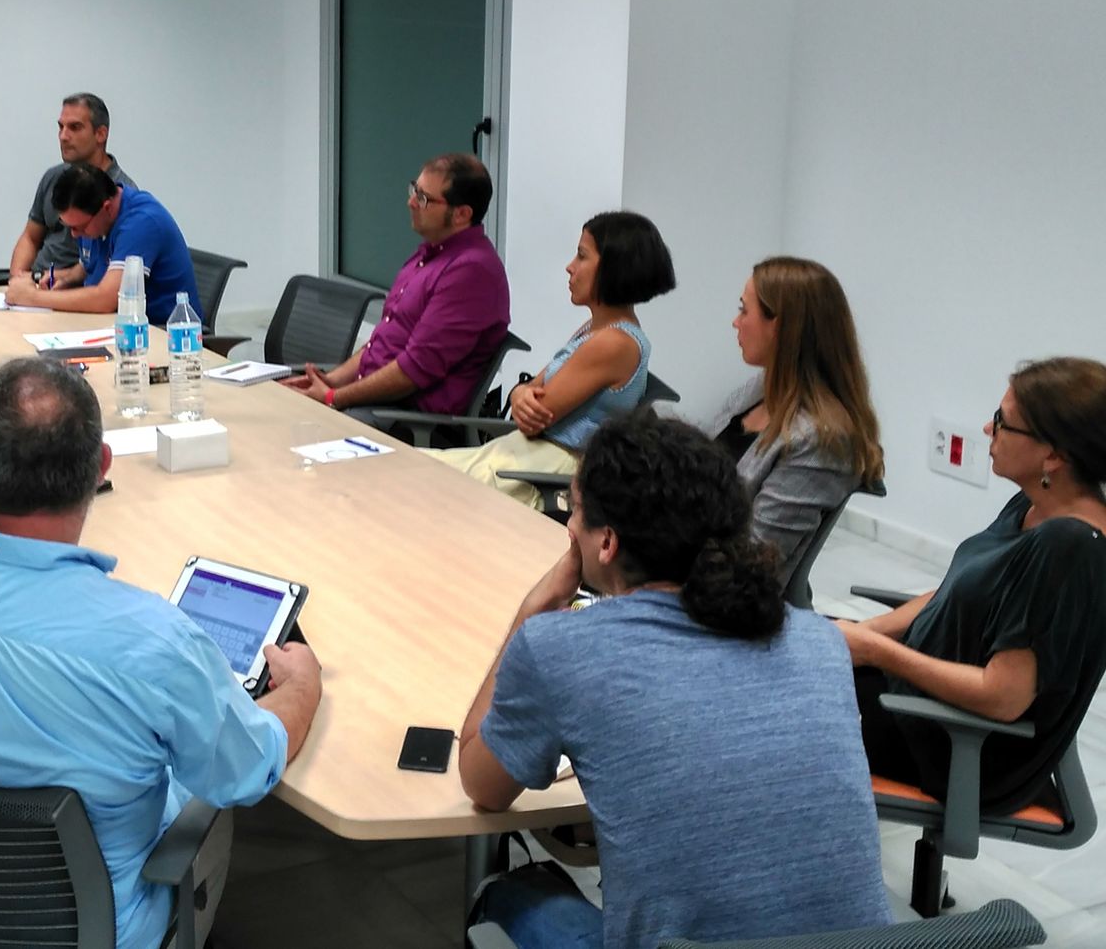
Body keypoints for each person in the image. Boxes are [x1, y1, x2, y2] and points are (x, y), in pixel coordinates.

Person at [0, 357, 322, 948]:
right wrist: (300, 687)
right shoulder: (153, 643)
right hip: (83, 934)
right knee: (198, 789)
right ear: (100, 471)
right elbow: (247, 771)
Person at [459, 412, 891, 949]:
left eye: (575, 513)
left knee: (515, 891)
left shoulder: (558, 648)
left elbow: (482, 788)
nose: (569, 527)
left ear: (607, 542)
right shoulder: (819, 641)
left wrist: (535, 608)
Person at [838, 357, 1106, 814]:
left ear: (1054, 454)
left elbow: (1002, 696)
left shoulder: (1069, 547)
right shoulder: (1032, 504)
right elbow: (952, 593)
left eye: (1003, 422)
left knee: (775, 694)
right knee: (786, 650)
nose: (987, 428)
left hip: (951, 743)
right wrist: (864, 633)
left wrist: (875, 651)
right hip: (914, 701)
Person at [430, 210, 674, 505]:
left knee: (410, 477)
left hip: (544, 471)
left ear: (614, 268)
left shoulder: (615, 342)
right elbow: (533, 388)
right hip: (524, 457)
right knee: (406, 466)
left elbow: (535, 419)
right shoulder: (596, 329)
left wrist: (523, 397)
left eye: (582, 256)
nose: (570, 267)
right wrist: (521, 392)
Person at [284, 153, 510, 424]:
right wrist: (329, 381)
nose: (411, 202)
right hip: (376, 403)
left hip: (411, 420)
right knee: (282, 411)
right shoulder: (429, 255)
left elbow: (414, 370)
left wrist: (334, 397)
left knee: (299, 436)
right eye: (415, 190)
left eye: (423, 198)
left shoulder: (471, 272)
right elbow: (384, 342)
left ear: (462, 214)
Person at [707, 256, 884, 590]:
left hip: (728, 605)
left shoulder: (821, 439)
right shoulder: (759, 389)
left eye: (745, 310)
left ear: (781, 326)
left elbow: (751, 564)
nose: (735, 322)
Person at [2, 163, 200, 326]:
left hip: (162, 334)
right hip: (112, 325)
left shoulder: (142, 223)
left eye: (79, 227)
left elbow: (106, 298)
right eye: (68, 226)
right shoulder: (96, 220)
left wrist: (31, 298)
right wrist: (63, 278)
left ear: (106, 208)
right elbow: (88, 266)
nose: (74, 234)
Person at [8, 92, 136, 279]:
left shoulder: (121, 193)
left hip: (75, 291)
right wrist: (17, 278)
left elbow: (107, 271)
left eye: (75, 127)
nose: (63, 136)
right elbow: (30, 237)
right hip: (36, 283)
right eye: (61, 127)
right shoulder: (54, 177)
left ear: (100, 134)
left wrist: (51, 283)